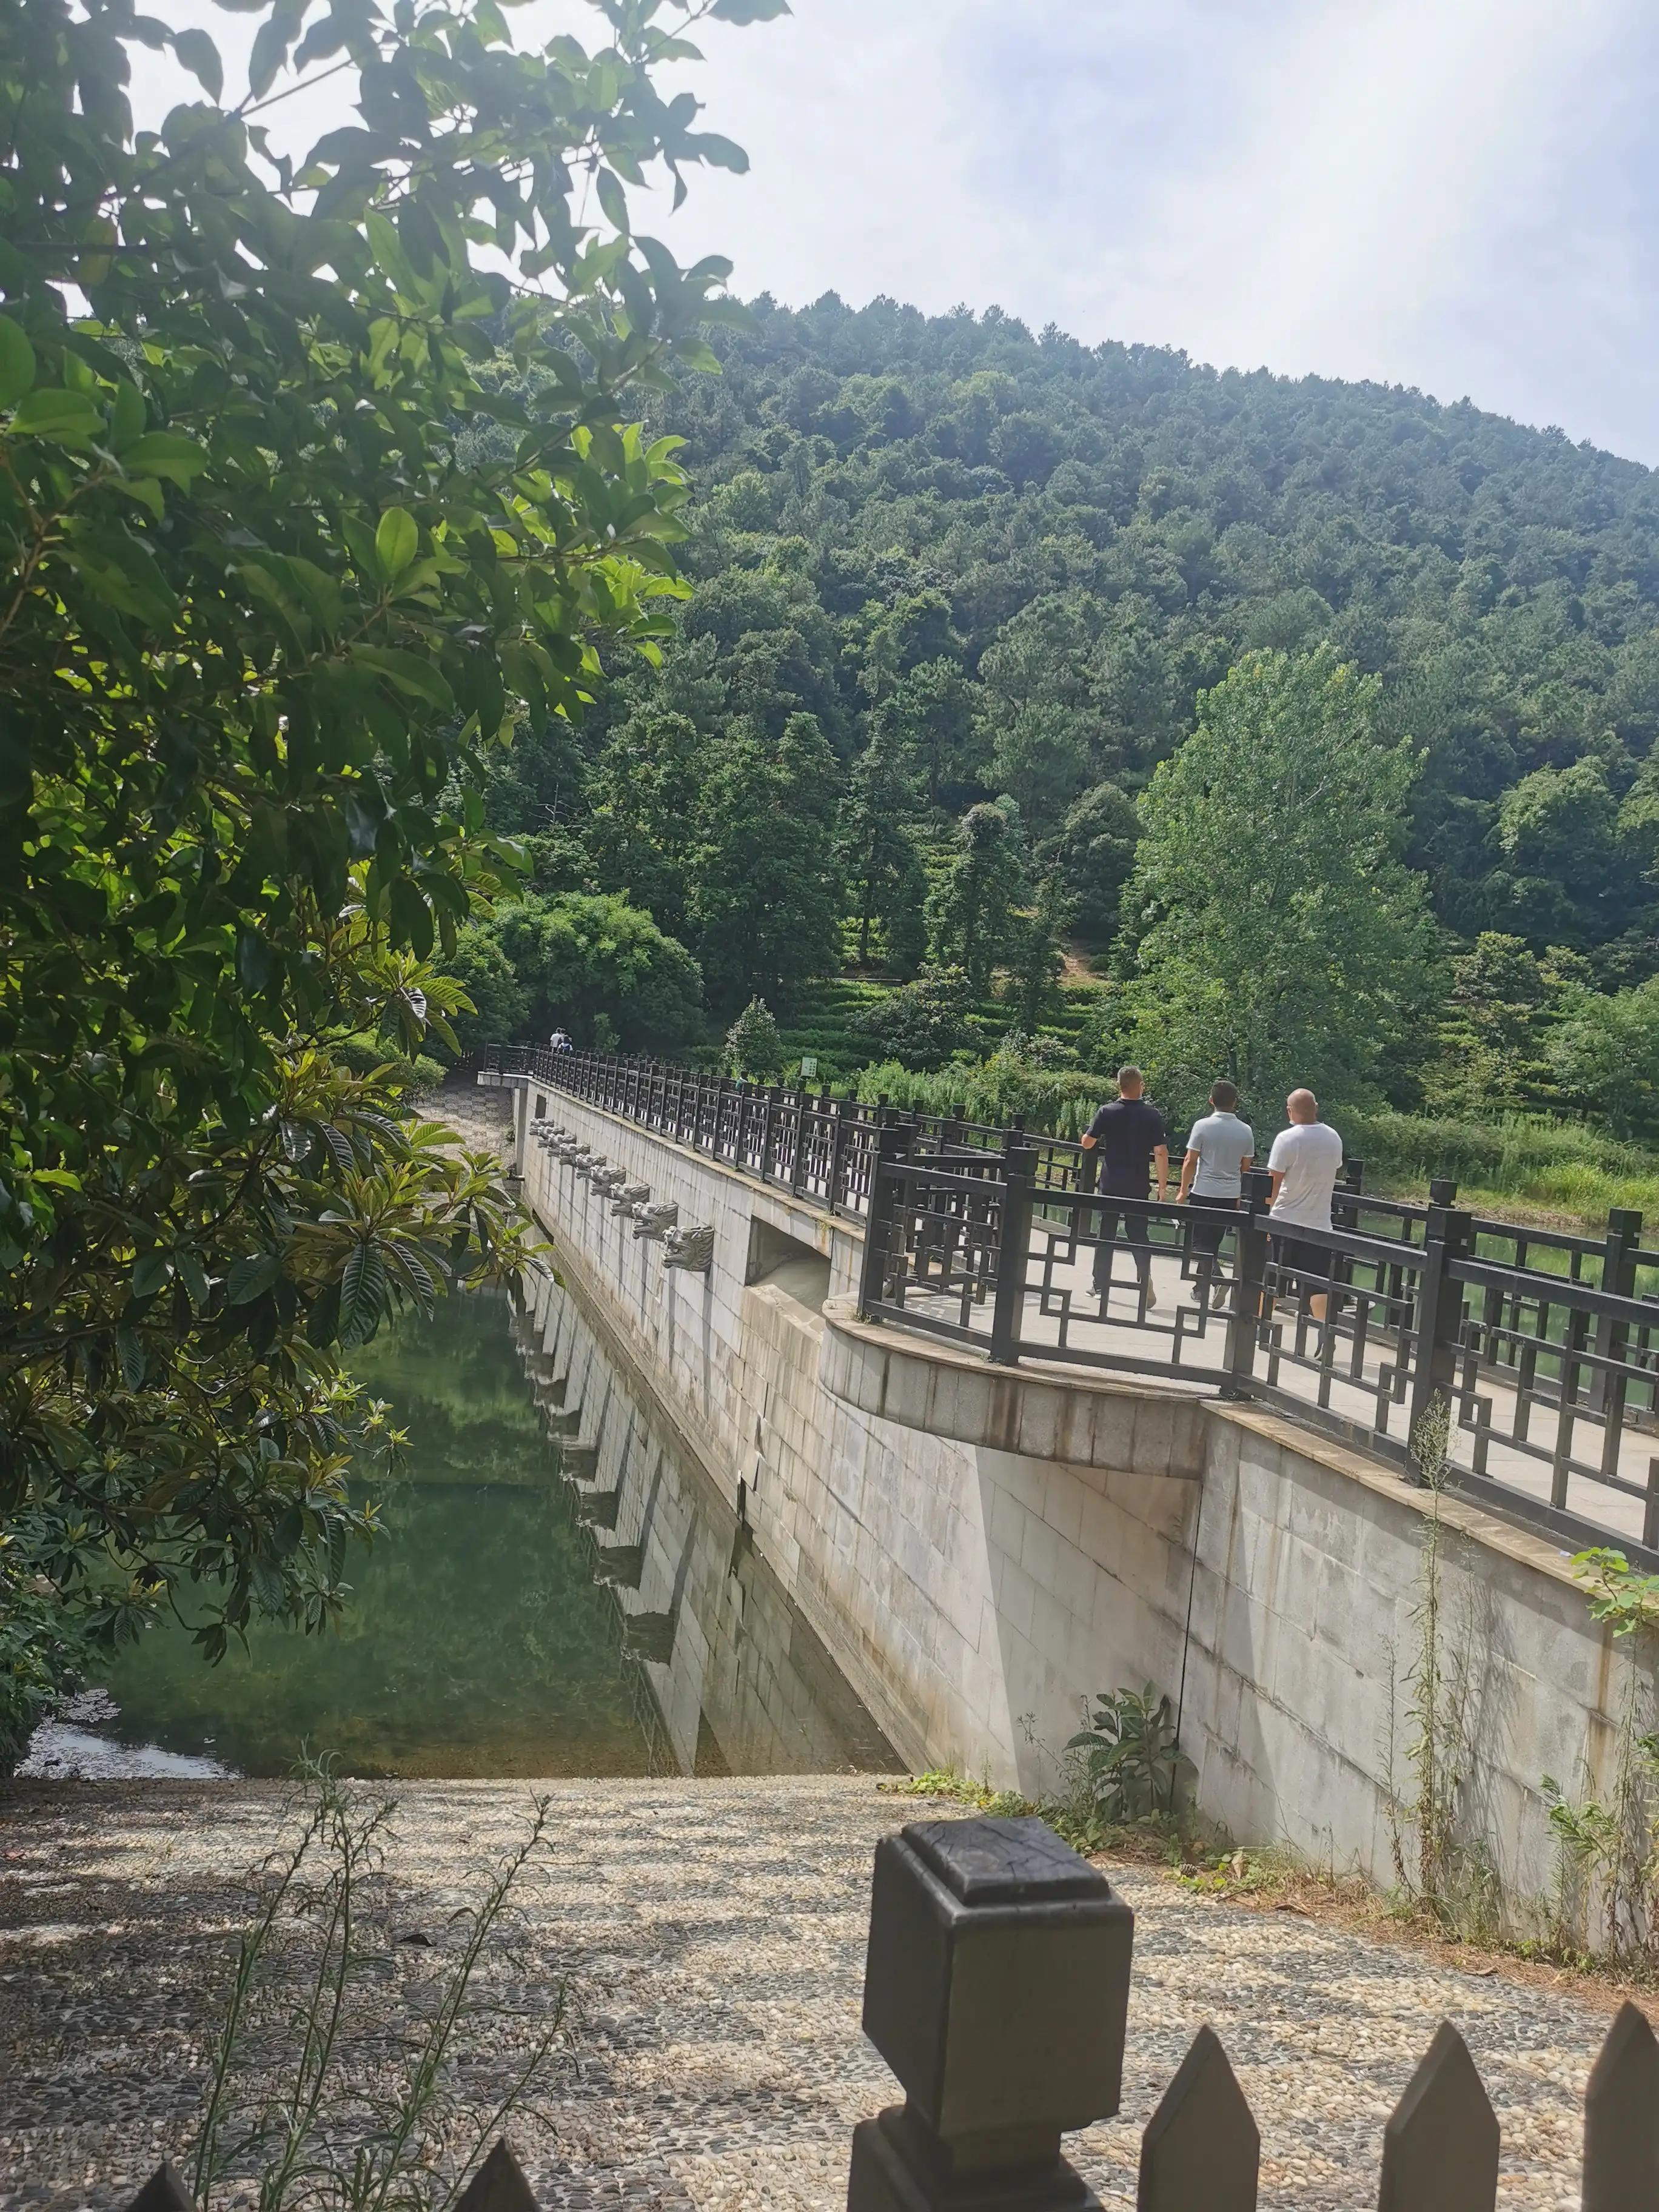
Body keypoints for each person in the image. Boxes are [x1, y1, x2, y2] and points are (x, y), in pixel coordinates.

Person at [1080, 1067, 1168, 1307]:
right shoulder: (1152, 1115)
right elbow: (1160, 1151)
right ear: (1140, 1085)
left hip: (1110, 1182)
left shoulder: (1107, 1112)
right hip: (1138, 1183)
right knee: (1139, 1233)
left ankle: (1099, 1285)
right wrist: (1162, 1186)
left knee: (1105, 1232)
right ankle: (1144, 1278)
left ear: (1118, 1085)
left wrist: (1086, 1136)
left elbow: (1088, 1143)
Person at [1266, 1089, 1343, 1321]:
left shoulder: (1286, 1138)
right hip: (1319, 1223)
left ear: (1290, 1111)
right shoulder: (1334, 1137)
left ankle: (1260, 1328)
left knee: (1271, 1280)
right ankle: (1325, 1335)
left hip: (1284, 1220)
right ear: (1316, 1107)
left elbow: (1273, 1182)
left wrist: (1267, 1217)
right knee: (1317, 1285)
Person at [1178, 1079, 1254, 1307]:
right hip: (1230, 1193)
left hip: (1204, 1191)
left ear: (1211, 1100)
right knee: (1213, 1242)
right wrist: (1240, 1194)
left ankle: (1218, 1280)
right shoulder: (1245, 1130)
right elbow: (1246, 1167)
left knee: (1198, 1243)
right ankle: (1200, 1289)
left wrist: (1183, 1190)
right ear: (1235, 1102)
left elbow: (1190, 1160)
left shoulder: (1202, 1126)